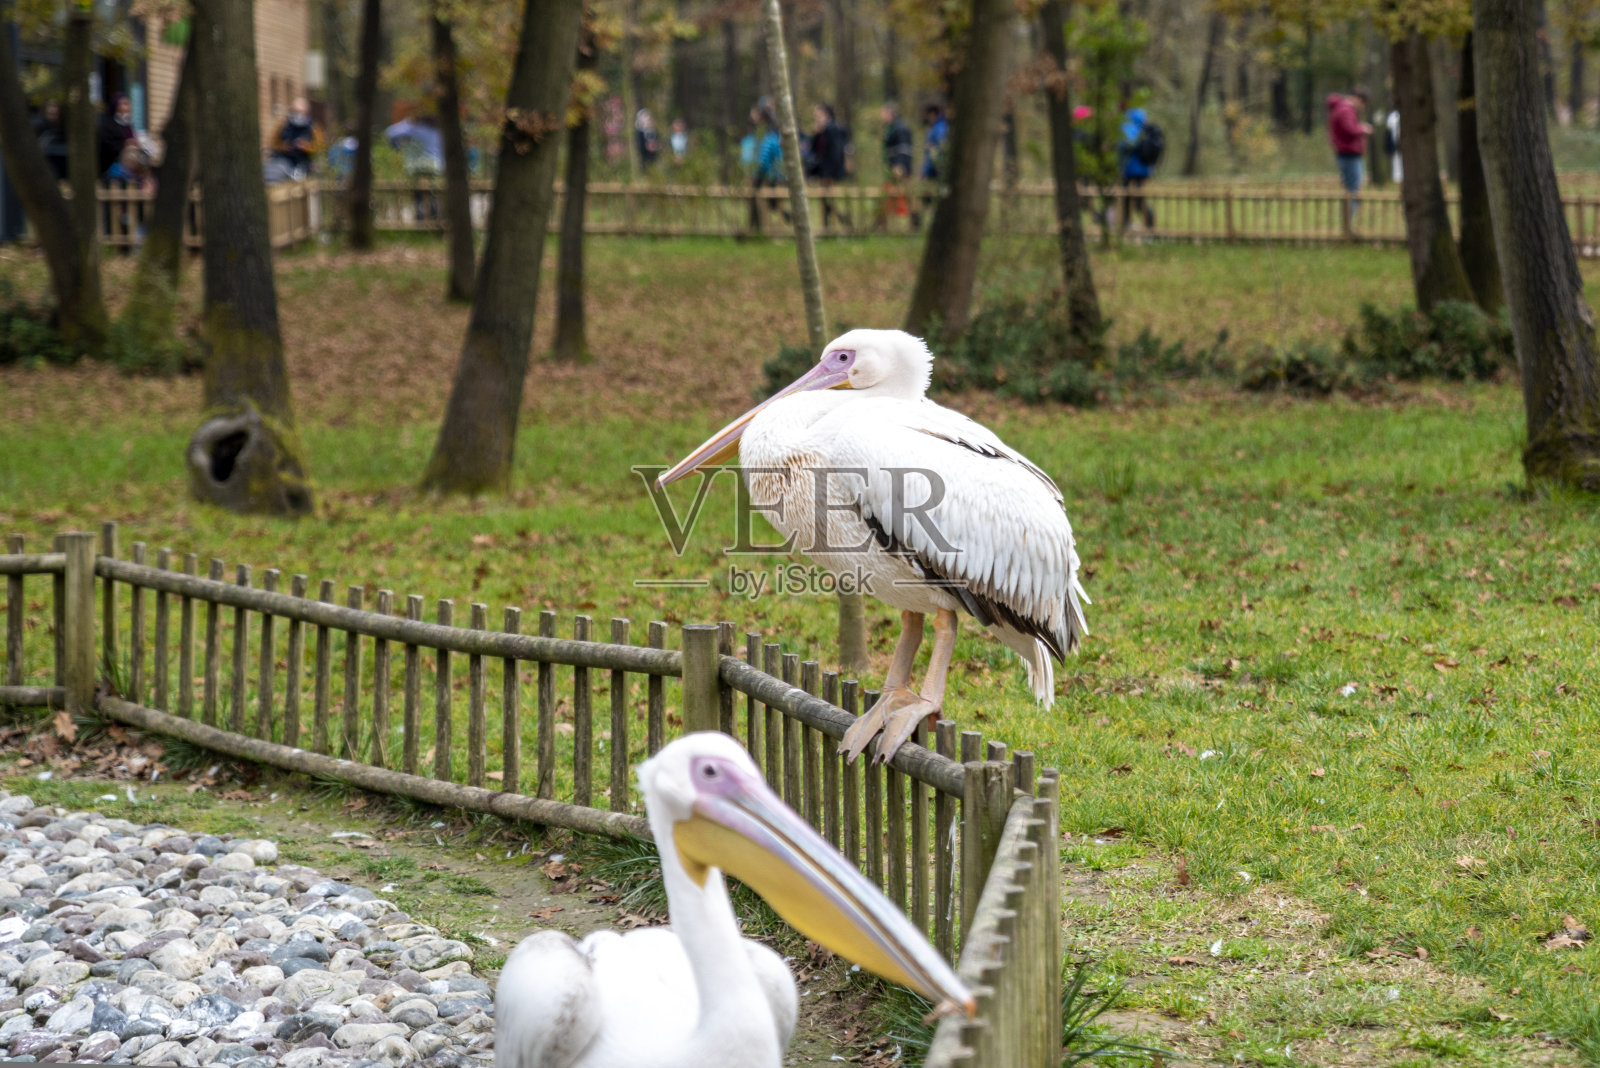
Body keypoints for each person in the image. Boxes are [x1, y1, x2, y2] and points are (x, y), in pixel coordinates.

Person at [386, 110, 444, 221]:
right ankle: (434, 218)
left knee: (418, 193)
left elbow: (390, 132)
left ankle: (420, 218)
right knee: (433, 192)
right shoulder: (438, 129)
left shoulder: (414, 128)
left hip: (416, 165)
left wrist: (407, 121)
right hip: (436, 165)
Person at [1326, 86, 1372, 223]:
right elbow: (1349, 129)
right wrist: (1363, 129)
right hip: (1349, 154)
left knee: (1351, 188)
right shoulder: (1346, 110)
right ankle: (1348, 224)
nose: (1362, 107)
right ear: (1358, 99)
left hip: (1346, 153)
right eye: (1363, 103)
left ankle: (1348, 222)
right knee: (1353, 189)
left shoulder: (1342, 108)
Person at [807, 103, 851, 231]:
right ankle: (830, 223)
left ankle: (832, 224)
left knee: (829, 196)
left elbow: (836, 151)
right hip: (822, 170)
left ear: (826, 115)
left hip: (830, 170)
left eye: (818, 114)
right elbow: (814, 150)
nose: (816, 117)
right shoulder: (821, 130)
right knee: (825, 197)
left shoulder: (833, 129)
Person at [748, 99, 788, 231]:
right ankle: (759, 228)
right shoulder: (769, 135)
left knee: (770, 205)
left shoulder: (768, 137)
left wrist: (758, 175)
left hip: (770, 176)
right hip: (772, 174)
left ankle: (768, 230)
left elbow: (765, 160)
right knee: (770, 205)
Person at [1118, 106, 1157, 231]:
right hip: (1144, 170)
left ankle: (1126, 224)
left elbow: (1123, 146)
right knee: (1139, 198)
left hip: (1130, 170)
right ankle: (1148, 222)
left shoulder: (1129, 129)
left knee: (1127, 197)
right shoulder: (1146, 130)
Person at [877, 102, 913, 230]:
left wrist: (899, 166)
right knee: (889, 195)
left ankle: (909, 224)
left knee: (902, 195)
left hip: (899, 168)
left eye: (883, 113)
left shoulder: (900, 128)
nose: (881, 116)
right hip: (891, 166)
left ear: (890, 114)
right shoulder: (891, 127)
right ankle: (888, 224)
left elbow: (904, 149)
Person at [270, 97, 323, 181]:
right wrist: (285, 147)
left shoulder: (313, 127)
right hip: (285, 162)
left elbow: (320, 147)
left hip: (306, 163)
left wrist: (306, 147)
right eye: (296, 111)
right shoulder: (283, 125)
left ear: (307, 112)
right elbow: (273, 144)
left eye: (301, 112)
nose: (298, 115)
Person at [96, 93, 136, 178]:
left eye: (128, 104)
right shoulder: (108, 124)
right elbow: (105, 143)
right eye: (124, 104)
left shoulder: (128, 125)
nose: (127, 108)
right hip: (112, 163)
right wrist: (124, 144)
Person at [33, 101, 68, 182]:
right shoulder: (38, 126)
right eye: (51, 106)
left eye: (56, 106)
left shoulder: (66, 128)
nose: (53, 110)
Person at [1385, 107, 1402, 184]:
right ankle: (1397, 178)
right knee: (1396, 160)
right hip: (1394, 142)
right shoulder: (1393, 116)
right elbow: (1389, 127)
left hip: (1401, 142)